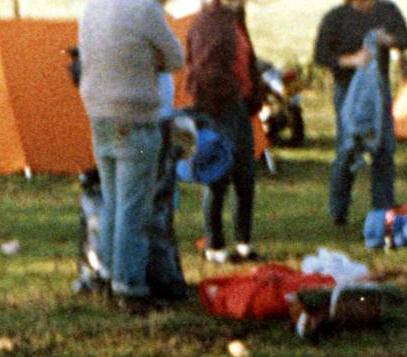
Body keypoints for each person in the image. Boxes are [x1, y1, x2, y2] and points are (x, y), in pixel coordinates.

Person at [78, 0, 185, 314]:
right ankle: (130, 286)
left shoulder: (93, 7)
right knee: (134, 205)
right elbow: (176, 58)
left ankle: (109, 273)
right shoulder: (145, 10)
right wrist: (149, 61)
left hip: (100, 117)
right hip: (135, 121)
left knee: (112, 201)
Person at [313, 0, 407, 226]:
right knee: (348, 148)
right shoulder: (336, 17)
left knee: (383, 148)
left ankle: (383, 209)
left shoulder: (387, 10)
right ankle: (338, 211)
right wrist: (351, 60)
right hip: (348, 92)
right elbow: (321, 56)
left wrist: (389, 40)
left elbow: (405, 40)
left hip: (378, 91)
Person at [186, 0, 268, 264]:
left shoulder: (234, 19)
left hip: (240, 106)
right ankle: (215, 246)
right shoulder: (209, 22)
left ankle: (244, 243)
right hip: (218, 107)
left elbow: (247, 61)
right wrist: (228, 95)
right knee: (217, 176)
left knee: (245, 176)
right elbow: (204, 71)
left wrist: (253, 96)